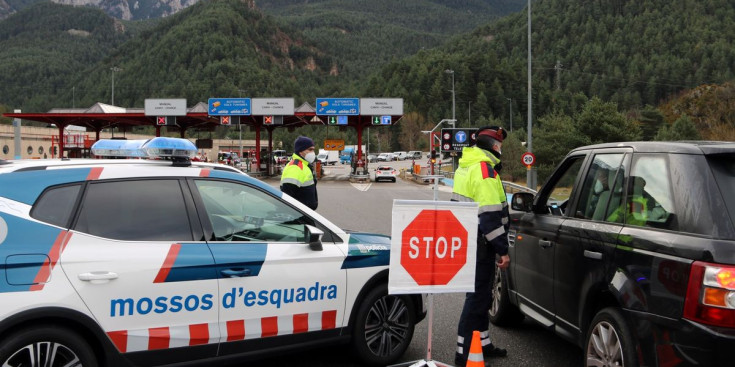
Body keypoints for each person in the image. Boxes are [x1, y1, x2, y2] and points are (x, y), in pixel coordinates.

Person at [451, 126, 510, 366]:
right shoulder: (485, 171)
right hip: (482, 243)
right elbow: (489, 217)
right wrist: (502, 249)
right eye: (499, 145)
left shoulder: (465, 166)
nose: (500, 149)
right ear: (492, 146)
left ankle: (482, 343)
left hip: (468, 239)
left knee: (482, 296)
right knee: (477, 298)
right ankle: (464, 352)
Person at [280, 136, 318, 210]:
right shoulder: (295, 167)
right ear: (300, 151)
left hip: (305, 213)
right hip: (298, 216)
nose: (312, 153)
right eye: (310, 149)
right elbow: (288, 197)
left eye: (313, 150)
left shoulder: (305, 166)